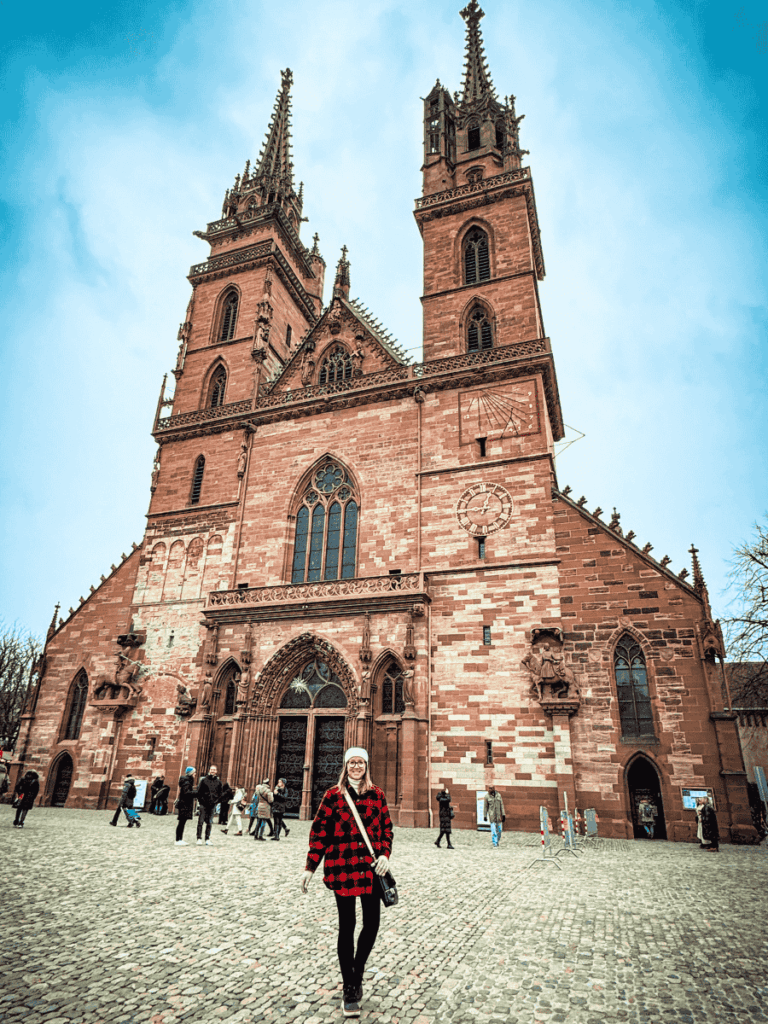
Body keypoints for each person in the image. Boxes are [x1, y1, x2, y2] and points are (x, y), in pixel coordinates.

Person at [301, 747, 393, 1019]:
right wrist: (309, 868)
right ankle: (350, 987)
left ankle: (357, 972)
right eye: (352, 763)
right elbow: (319, 833)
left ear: (366, 765)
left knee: (372, 924)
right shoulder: (333, 795)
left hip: (370, 869)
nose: (356, 767)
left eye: (360, 762)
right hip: (342, 868)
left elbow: (387, 828)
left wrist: (385, 855)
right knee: (347, 925)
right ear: (345, 766)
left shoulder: (377, 794)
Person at [196, 765, 223, 845]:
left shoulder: (218, 782)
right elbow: (199, 792)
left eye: (214, 770)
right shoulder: (204, 780)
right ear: (209, 770)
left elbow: (220, 793)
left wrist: (216, 801)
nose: (212, 771)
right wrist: (201, 801)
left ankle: (207, 839)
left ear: (216, 771)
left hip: (212, 805)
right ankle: (199, 838)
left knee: (209, 822)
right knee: (200, 822)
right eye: (211, 769)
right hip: (203, 804)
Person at [175, 766, 197, 845]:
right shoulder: (187, 782)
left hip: (184, 804)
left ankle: (179, 839)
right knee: (181, 823)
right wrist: (196, 793)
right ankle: (178, 840)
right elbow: (186, 793)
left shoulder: (186, 781)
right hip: (184, 805)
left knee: (182, 822)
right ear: (191, 773)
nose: (195, 774)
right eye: (194, 773)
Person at [435, 784, 454, 849]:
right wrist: (448, 794)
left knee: (444, 830)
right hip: (444, 815)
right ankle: (448, 844)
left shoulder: (442, 798)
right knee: (446, 830)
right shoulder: (442, 798)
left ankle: (438, 841)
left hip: (445, 815)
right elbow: (449, 799)